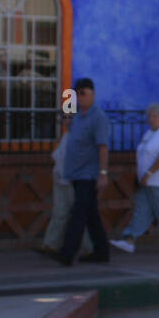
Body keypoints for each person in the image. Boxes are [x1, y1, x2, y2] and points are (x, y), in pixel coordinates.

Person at [51, 77, 111, 266]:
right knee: (91, 215)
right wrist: (68, 116)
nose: (80, 97)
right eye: (78, 94)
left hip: (88, 174)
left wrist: (103, 173)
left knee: (78, 214)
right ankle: (101, 251)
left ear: (92, 94)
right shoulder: (77, 117)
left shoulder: (98, 117)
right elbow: (70, 132)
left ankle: (66, 253)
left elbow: (103, 146)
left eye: (84, 93)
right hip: (75, 173)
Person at [111, 103, 159, 254]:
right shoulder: (150, 133)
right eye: (149, 116)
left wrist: (149, 173)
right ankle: (129, 240)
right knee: (141, 211)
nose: (151, 119)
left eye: (154, 116)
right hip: (147, 182)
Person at [38, 115, 93, 257]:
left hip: (74, 181)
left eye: (70, 118)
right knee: (59, 213)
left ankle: (89, 247)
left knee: (79, 215)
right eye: (65, 118)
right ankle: (50, 244)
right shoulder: (66, 136)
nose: (67, 121)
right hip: (60, 181)